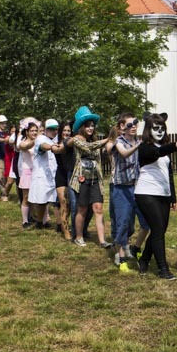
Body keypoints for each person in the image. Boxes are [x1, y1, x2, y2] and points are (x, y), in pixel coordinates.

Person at [134, 113, 177, 279]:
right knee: (157, 230)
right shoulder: (144, 147)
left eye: (162, 128)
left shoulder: (161, 148)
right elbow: (158, 152)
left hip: (163, 194)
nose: (159, 131)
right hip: (146, 193)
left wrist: (172, 197)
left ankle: (144, 260)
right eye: (155, 128)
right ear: (148, 130)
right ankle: (163, 269)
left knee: (160, 230)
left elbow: (168, 174)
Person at [111, 113, 151, 272]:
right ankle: (121, 259)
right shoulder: (119, 142)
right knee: (122, 224)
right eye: (129, 124)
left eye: (135, 123)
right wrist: (138, 146)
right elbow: (124, 153)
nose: (133, 126)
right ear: (122, 127)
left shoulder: (139, 141)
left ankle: (136, 248)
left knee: (146, 222)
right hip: (121, 189)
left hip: (138, 188)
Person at [69, 106, 111, 248]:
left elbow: (100, 157)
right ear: (82, 127)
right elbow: (89, 147)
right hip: (82, 179)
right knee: (82, 209)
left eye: (92, 125)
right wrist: (108, 139)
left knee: (98, 208)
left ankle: (102, 241)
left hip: (95, 179)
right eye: (87, 126)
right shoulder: (76, 139)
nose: (90, 128)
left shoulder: (96, 140)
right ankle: (78, 237)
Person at [28, 118, 59, 229]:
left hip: (52, 174)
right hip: (41, 175)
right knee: (41, 201)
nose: (54, 131)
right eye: (51, 129)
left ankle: (59, 224)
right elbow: (42, 146)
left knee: (55, 200)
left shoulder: (54, 140)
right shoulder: (40, 138)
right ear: (46, 130)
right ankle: (40, 222)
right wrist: (51, 147)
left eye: (55, 129)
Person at [53, 121, 74, 240]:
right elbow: (56, 150)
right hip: (61, 176)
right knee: (64, 203)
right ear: (60, 132)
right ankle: (66, 232)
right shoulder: (57, 145)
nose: (66, 133)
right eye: (64, 130)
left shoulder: (72, 143)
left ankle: (64, 225)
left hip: (72, 175)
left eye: (68, 131)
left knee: (70, 205)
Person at [18, 118, 39, 228]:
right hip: (27, 172)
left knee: (39, 197)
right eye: (32, 131)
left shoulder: (39, 142)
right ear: (27, 132)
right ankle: (25, 221)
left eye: (36, 130)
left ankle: (41, 219)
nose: (34, 133)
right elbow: (26, 147)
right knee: (26, 198)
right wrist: (36, 140)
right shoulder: (23, 143)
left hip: (37, 172)